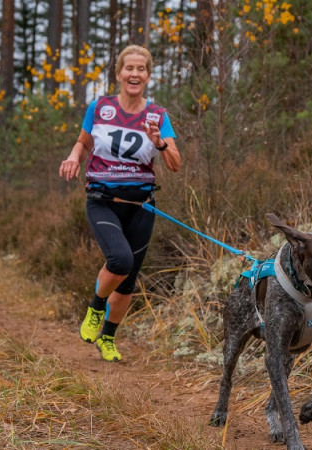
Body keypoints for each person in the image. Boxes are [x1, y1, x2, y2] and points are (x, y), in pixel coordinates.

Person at [59, 45, 181, 362]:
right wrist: (74, 157)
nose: (135, 74)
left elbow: (175, 163)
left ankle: (108, 339)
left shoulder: (158, 115)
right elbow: (84, 141)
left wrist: (160, 142)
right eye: (129, 68)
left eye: (142, 69)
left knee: (128, 281)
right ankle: (96, 306)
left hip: (141, 205)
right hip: (103, 200)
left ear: (148, 76)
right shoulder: (100, 107)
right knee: (120, 260)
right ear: (119, 74)